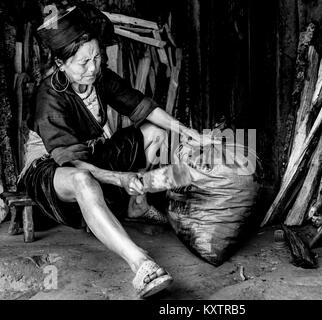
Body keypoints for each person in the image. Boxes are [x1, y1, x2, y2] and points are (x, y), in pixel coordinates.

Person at [19, 6, 209, 298]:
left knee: (154, 131)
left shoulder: (100, 78)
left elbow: (141, 106)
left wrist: (186, 131)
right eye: (83, 62)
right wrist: (119, 178)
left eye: (96, 57)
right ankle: (142, 265)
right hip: (50, 171)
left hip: (91, 156)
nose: (93, 68)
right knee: (84, 181)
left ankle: (136, 204)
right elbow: (73, 162)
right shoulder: (50, 96)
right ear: (60, 63)